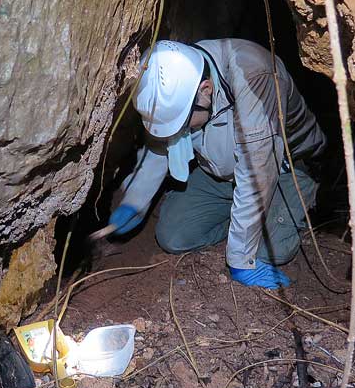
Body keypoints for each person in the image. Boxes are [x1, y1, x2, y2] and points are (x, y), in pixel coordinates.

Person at [108, 39, 326, 289]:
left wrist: (241, 258)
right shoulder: (179, 73)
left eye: (182, 122)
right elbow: (161, 143)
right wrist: (134, 201)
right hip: (223, 171)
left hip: (284, 168)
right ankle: (240, 222)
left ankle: (285, 212)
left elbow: (257, 174)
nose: (180, 131)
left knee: (269, 252)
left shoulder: (255, 76)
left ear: (206, 89)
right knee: (174, 236)